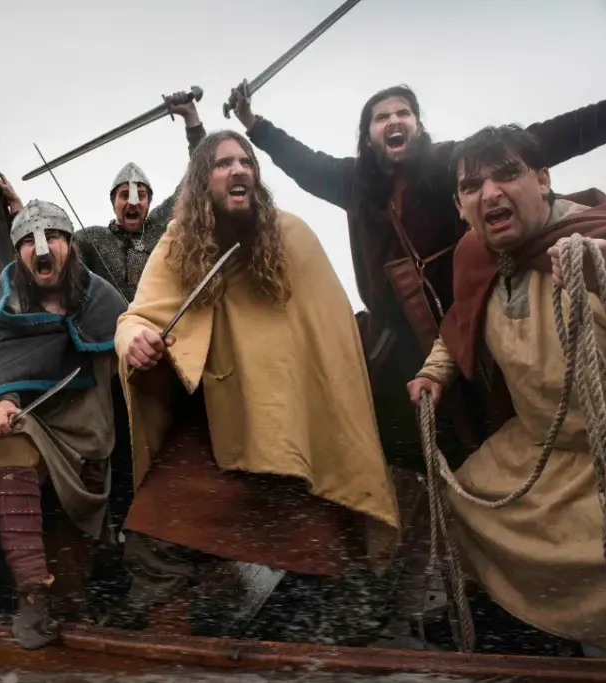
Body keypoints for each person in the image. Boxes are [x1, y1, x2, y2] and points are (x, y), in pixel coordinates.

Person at [227, 83, 606, 470]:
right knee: (395, 415)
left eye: (404, 112)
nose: (394, 120)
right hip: (398, 328)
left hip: (473, 303)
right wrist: (253, 123)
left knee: (502, 402)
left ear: (417, 126)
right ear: (368, 135)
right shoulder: (353, 182)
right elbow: (301, 160)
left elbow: (547, 138)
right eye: (381, 116)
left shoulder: (448, 164)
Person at [114, 130, 401, 642]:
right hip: (214, 428)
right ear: (203, 180)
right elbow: (139, 316)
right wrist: (136, 340)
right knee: (153, 531)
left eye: (245, 160)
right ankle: (171, 652)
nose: (239, 169)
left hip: (295, 433)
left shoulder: (293, 237)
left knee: (325, 551)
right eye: (223, 163)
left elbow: (329, 340)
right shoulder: (179, 242)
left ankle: (320, 647)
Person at [407, 124, 606, 657]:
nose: (490, 192)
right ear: (461, 205)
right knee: (463, 495)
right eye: (472, 186)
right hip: (539, 446)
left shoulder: (597, 236)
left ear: (542, 178)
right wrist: (433, 373)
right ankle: (517, 620)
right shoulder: (475, 254)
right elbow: (459, 323)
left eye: (508, 173)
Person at [0, 199, 126, 649]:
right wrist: (2, 406)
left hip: (92, 430)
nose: (42, 247)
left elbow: (131, 334)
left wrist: (148, 344)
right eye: (29, 242)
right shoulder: (2, 307)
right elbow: (0, 368)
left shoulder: (101, 298)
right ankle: (32, 592)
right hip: (34, 422)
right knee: (8, 443)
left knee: (78, 585)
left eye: (53, 237)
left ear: (69, 245)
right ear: (18, 253)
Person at [73, 91, 207, 302]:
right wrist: (22, 215)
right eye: (125, 194)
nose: (133, 202)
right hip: (113, 331)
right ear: (113, 201)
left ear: (149, 202)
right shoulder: (94, 240)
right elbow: (53, 250)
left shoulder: (161, 226)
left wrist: (191, 117)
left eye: (140, 195)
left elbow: (198, 176)